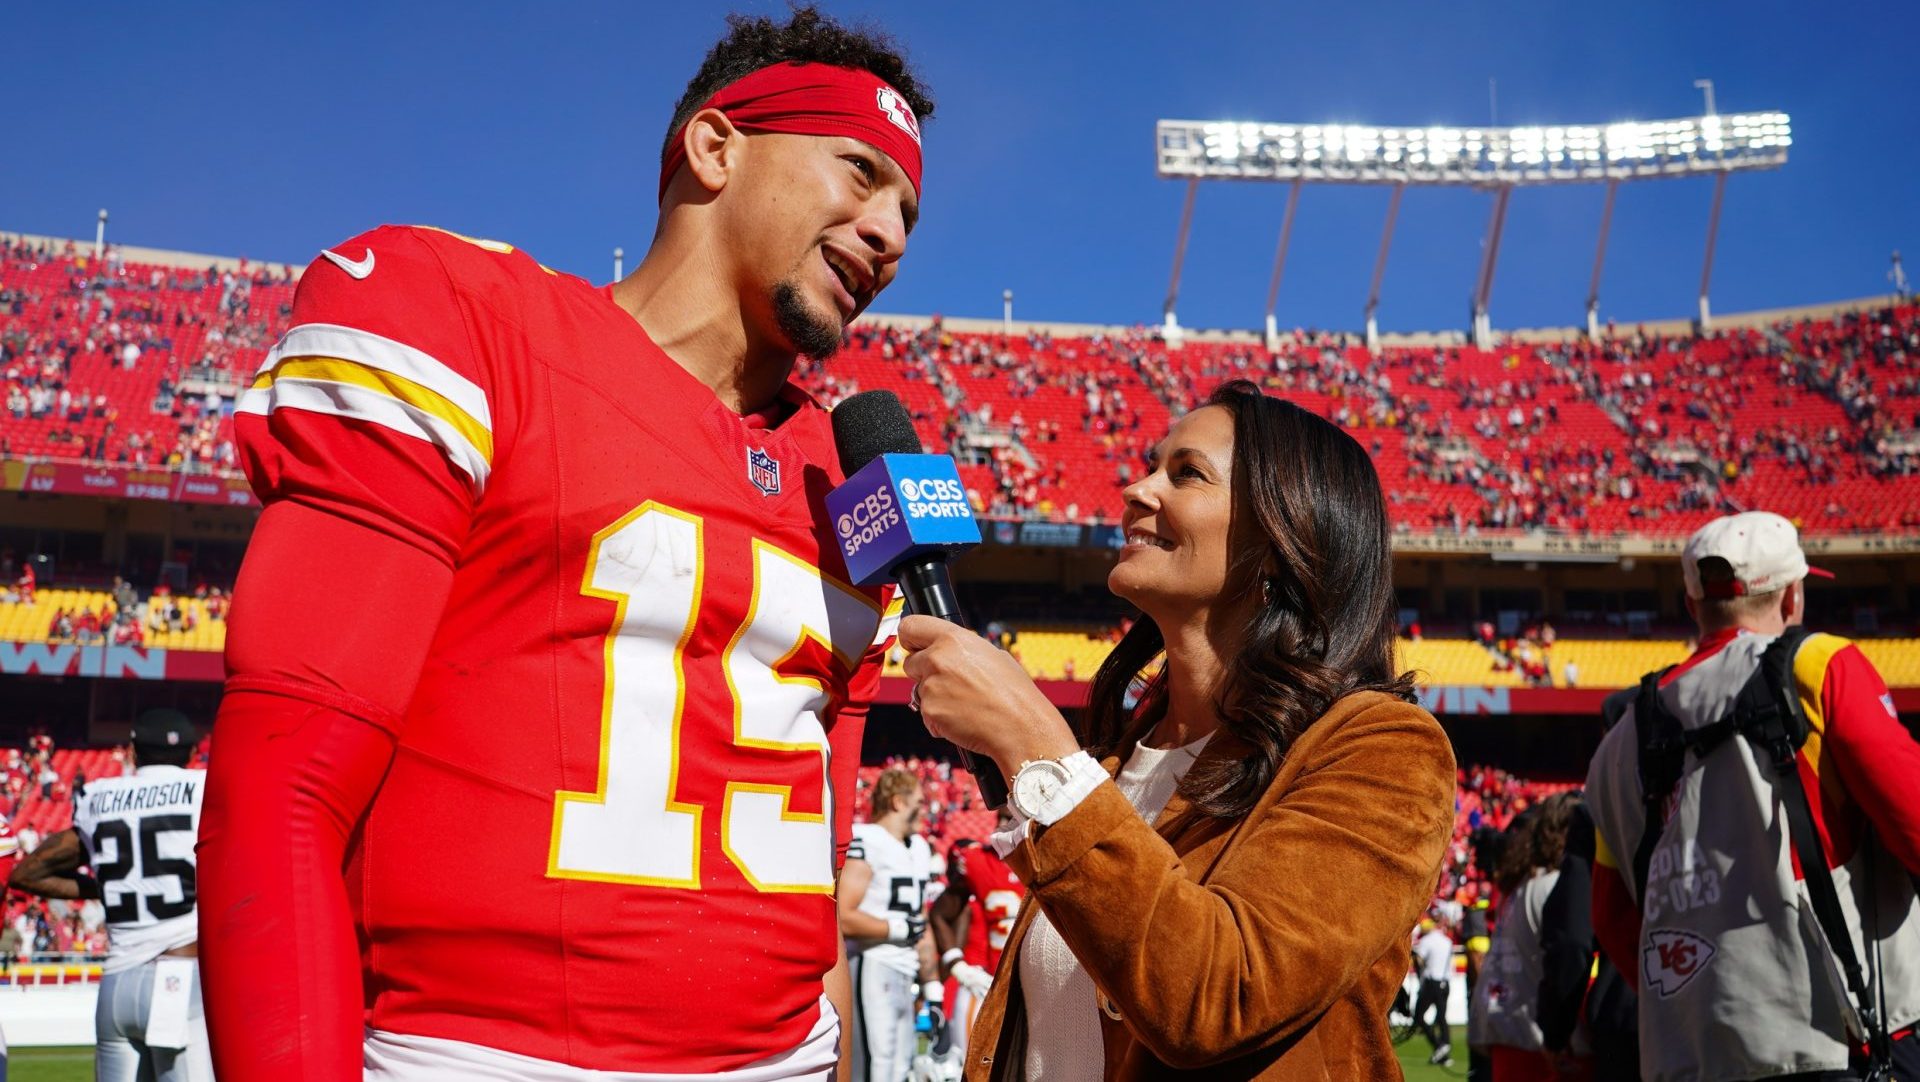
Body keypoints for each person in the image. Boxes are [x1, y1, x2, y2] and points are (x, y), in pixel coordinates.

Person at [196, 8, 928, 1080]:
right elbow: (282, 786)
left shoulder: (851, 483)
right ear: (714, 146)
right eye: (859, 173)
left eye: (909, 209)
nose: (891, 233)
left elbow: (818, 860)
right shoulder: (472, 324)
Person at [898, 380, 1457, 1079]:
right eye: (1151, 464)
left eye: (1186, 473)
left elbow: (1220, 995)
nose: (1136, 488)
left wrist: (1034, 744)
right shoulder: (1117, 759)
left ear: (1286, 535)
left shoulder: (1387, 751)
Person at [1586, 511, 1920, 1082]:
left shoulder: (1617, 741)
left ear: (1693, 606)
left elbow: (1613, 916)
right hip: (1836, 1039)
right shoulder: (1820, 664)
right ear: (1793, 597)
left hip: (1689, 1051)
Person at [8, 709, 208, 1082]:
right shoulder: (202, 790)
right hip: (179, 975)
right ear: (193, 753)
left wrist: (111, 888)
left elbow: (28, 873)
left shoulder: (100, 796)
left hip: (117, 981)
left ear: (132, 752)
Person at [1471, 793, 1586, 1081]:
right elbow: (1569, 955)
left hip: (1507, 1033)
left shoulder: (1519, 886)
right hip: (1540, 1043)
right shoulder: (1557, 886)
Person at [839, 768, 938, 1082]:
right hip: (873, 964)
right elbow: (843, 915)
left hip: (905, 967)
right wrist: (898, 930)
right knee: (874, 1066)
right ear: (897, 802)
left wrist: (932, 985)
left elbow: (920, 919)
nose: (925, 810)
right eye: (919, 802)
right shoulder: (867, 839)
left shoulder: (919, 848)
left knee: (899, 1068)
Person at [929, 813, 1023, 1058]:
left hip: (1034, 987)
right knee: (972, 1064)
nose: (1007, 822)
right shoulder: (977, 861)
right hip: (986, 984)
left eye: (1013, 814)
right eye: (1003, 814)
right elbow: (940, 913)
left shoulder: (1048, 857)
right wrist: (957, 965)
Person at [1412, 917, 1457, 1066]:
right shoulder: (1447, 941)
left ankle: (1439, 1045)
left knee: (1419, 1015)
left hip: (1432, 982)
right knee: (1442, 1016)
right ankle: (1444, 1050)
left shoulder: (1426, 942)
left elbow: (1419, 960)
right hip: (1446, 982)